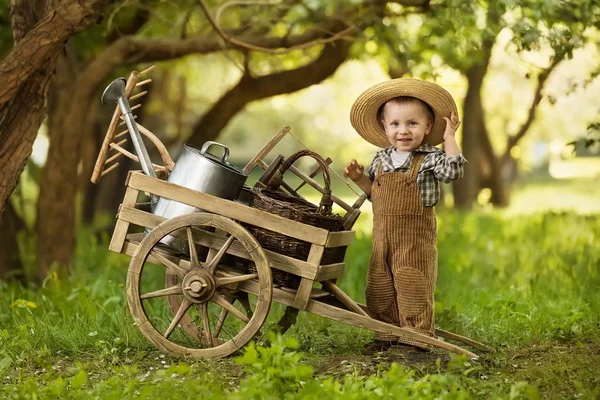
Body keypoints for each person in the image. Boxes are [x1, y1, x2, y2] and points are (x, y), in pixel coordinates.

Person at [344, 78, 466, 352]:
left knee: (412, 285)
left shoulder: (431, 158)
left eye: (413, 123)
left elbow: (453, 172)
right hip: (382, 237)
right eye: (396, 124)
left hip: (415, 241)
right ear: (385, 127)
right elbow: (374, 193)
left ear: (428, 127)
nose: (404, 131)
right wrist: (360, 177)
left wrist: (449, 139)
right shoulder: (381, 159)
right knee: (380, 284)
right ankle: (385, 333)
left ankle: (415, 339)